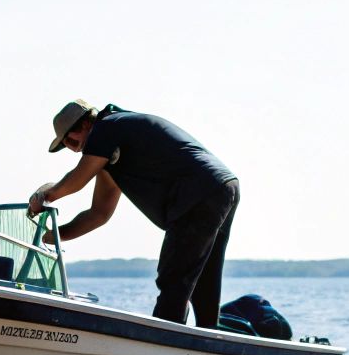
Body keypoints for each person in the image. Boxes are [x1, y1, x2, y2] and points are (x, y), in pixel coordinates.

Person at [28, 100, 240, 328]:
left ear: (87, 122)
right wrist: (57, 235)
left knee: (174, 279)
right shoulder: (113, 149)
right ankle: (210, 345)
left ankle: (164, 347)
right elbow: (99, 213)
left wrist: (44, 195)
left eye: (70, 140)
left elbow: (78, 179)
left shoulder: (106, 127)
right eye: (66, 146)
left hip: (198, 192)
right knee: (202, 278)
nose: (75, 149)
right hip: (223, 187)